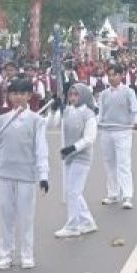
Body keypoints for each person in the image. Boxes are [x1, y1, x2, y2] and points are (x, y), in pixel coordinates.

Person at [0, 77, 49, 269]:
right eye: (13, 93)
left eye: (22, 93)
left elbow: (41, 148)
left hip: (26, 174)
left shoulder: (36, 121)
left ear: (29, 96)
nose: (17, 97)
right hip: (3, 173)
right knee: (6, 215)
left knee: (26, 215)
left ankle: (26, 254)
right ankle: (6, 255)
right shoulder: (2, 119)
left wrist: (43, 175)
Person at [96, 64, 137, 208]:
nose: (111, 77)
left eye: (114, 74)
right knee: (109, 163)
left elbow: (136, 110)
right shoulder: (104, 94)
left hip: (123, 132)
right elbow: (100, 113)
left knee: (123, 164)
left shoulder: (128, 92)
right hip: (106, 131)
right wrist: (97, 123)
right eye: (109, 75)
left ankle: (127, 195)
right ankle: (112, 193)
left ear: (121, 75)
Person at [56, 83, 98, 238]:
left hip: (81, 157)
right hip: (68, 157)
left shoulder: (88, 114)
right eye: (70, 95)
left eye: (76, 94)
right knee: (73, 191)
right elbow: (52, 123)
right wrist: (54, 109)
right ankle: (87, 222)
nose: (72, 98)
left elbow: (89, 138)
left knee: (73, 191)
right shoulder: (67, 111)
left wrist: (72, 148)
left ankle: (73, 225)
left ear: (84, 96)